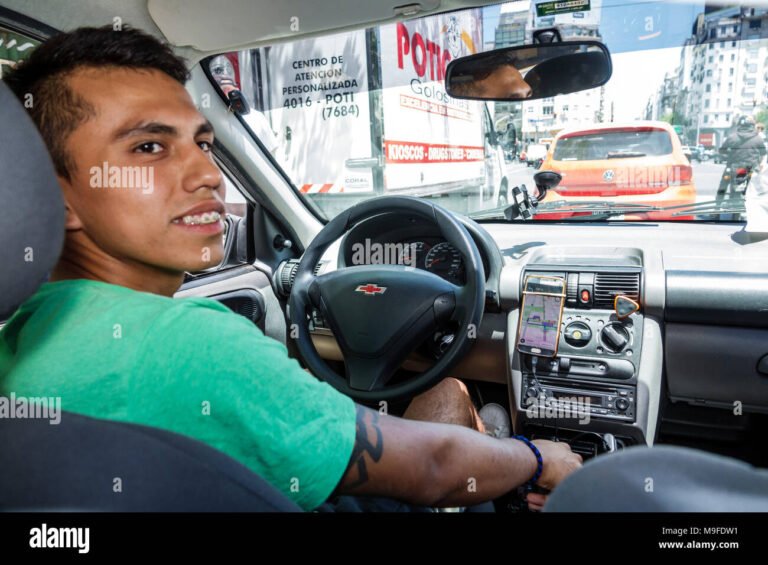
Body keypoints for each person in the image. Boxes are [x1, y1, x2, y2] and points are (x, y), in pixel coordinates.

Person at [0, 26, 581, 512]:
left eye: (202, 142)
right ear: (54, 198)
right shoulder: (183, 344)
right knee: (455, 401)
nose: (206, 173)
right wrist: (541, 459)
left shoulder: (21, 333)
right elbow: (434, 467)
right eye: (148, 147)